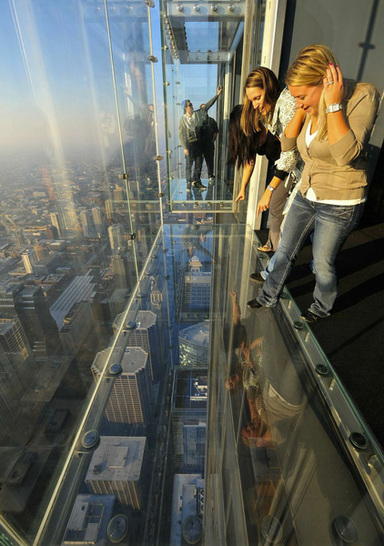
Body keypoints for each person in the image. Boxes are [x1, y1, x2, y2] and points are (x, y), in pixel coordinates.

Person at [247, 44, 380, 322]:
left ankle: (321, 306)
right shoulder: (308, 105)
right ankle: (268, 296)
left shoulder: (363, 96)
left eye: (302, 96)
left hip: (341, 200)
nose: (299, 102)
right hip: (308, 191)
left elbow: (346, 154)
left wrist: (332, 105)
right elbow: (286, 144)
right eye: (294, 96)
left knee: (322, 263)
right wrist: (302, 107)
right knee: (284, 249)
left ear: (325, 81)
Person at [234, 67, 302, 253]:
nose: (255, 105)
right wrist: (242, 188)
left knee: (282, 213)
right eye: (251, 100)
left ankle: (277, 253)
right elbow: (250, 160)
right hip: (290, 170)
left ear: (269, 88)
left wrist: (269, 190)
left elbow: (291, 153)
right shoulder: (267, 116)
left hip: (295, 170)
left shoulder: (286, 104)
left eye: (257, 98)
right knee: (281, 212)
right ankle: (276, 251)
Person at [179, 85, 223, 192]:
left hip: (198, 144)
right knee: (189, 165)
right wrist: (185, 147)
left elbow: (208, 105)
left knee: (198, 164)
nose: (192, 106)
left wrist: (217, 95)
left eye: (191, 104)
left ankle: (197, 182)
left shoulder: (198, 114)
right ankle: (188, 183)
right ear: (185, 108)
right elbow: (181, 134)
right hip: (190, 144)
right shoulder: (183, 120)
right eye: (189, 105)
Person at [198, 105, 219, 186]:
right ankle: (197, 179)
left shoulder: (211, 121)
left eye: (205, 108)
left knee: (210, 162)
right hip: (200, 146)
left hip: (209, 145)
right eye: (202, 109)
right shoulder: (198, 121)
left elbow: (215, 133)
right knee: (199, 163)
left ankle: (210, 176)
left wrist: (211, 141)